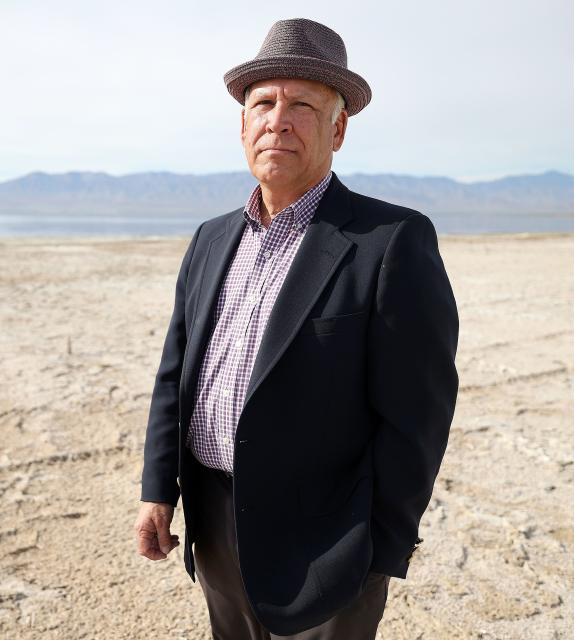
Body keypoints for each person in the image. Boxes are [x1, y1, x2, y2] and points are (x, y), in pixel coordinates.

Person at [133, 17, 459, 639]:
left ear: (338, 128)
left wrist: (378, 554)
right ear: (242, 124)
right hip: (215, 521)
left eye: (302, 105)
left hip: (326, 545)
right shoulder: (210, 238)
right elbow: (177, 373)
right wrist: (160, 488)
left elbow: (418, 417)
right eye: (263, 103)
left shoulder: (389, 241)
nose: (277, 120)